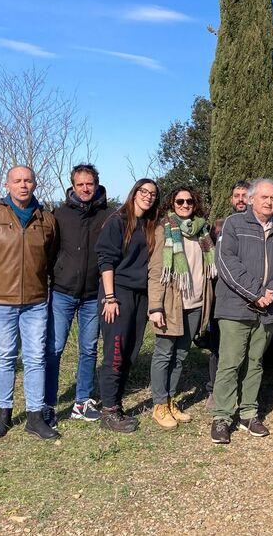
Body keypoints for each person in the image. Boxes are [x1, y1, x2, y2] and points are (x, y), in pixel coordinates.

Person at [0, 165, 59, 440]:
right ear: (7, 185)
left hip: (35, 301)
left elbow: (51, 257)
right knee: (5, 356)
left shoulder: (46, 220)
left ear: (35, 184)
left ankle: (35, 416)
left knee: (35, 357)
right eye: (17, 180)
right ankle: (3, 414)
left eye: (28, 180)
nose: (23, 185)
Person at [209, 179, 273, 444]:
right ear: (251, 200)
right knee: (230, 362)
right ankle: (222, 416)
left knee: (255, 362)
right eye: (264, 197)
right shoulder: (234, 224)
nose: (269, 202)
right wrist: (256, 292)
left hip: (269, 308)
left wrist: (272, 291)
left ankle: (249, 413)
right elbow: (226, 262)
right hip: (236, 307)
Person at [43, 163, 111, 428]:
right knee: (55, 348)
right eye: (80, 184)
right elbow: (49, 250)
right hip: (62, 292)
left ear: (96, 184)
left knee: (88, 348)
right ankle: (48, 404)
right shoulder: (59, 215)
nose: (85, 188)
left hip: (93, 294)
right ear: (72, 186)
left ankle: (82, 402)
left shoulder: (108, 215)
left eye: (89, 184)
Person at [147, 186, 216, 430]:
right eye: (179, 201)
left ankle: (170, 399)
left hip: (196, 303)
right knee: (164, 354)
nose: (185, 205)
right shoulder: (164, 230)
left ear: (195, 204)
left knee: (181, 355)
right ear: (172, 204)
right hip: (171, 304)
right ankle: (159, 405)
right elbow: (156, 271)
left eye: (189, 201)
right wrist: (155, 306)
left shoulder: (202, 231)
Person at [95, 178, 160, 433]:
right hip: (118, 293)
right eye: (143, 191)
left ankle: (117, 404)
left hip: (140, 295)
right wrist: (110, 298)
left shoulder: (150, 225)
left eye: (152, 193)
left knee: (131, 351)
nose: (148, 196)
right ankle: (109, 411)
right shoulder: (118, 221)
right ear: (134, 193)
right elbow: (106, 260)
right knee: (116, 351)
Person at [206, 179, 249, 411]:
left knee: (244, 347)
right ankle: (214, 390)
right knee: (219, 345)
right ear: (231, 199)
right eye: (237, 195)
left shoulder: (259, 226)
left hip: (249, 295)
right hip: (223, 294)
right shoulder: (219, 226)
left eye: (245, 195)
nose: (241, 199)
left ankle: (242, 390)